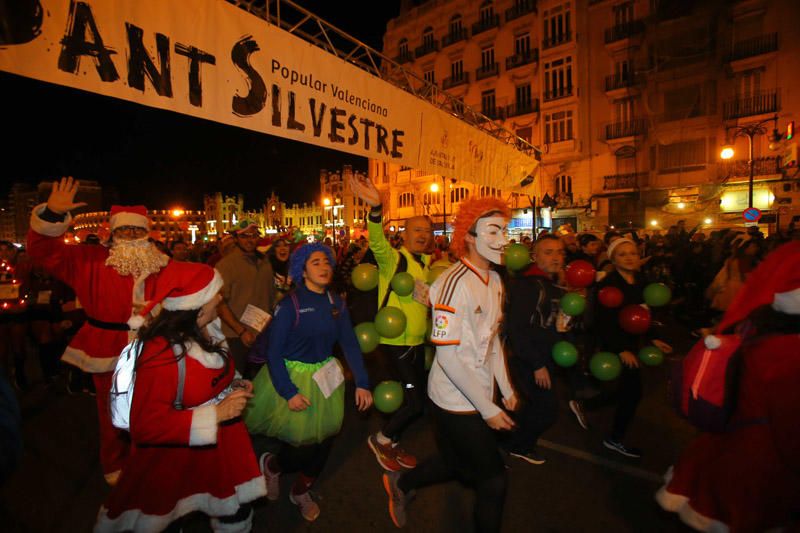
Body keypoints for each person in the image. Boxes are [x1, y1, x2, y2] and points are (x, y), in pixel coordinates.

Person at [95, 261, 266, 532]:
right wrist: (217, 414)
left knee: (234, 514)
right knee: (171, 516)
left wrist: (233, 385)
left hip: (221, 447)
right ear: (197, 304)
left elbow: (212, 377)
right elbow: (146, 425)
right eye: (216, 294)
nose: (222, 298)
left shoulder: (211, 328)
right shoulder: (161, 353)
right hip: (174, 458)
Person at [382, 197, 518, 532]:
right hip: (453, 400)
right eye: (493, 230)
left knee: (458, 465)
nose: (503, 239)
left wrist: (506, 386)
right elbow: (447, 355)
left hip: (480, 394)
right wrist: (487, 408)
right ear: (469, 237)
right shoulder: (452, 284)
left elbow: (494, 339)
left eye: (504, 230)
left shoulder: (497, 282)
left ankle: (401, 484)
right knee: (493, 481)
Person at [27, 177, 170, 485]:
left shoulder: (162, 264)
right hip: (108, 347)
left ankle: (147, 459)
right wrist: (52, 215)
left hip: (153, 347)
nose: (131, 235)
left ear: (147, 233)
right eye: (124, 230)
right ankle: (115, 466)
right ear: (113, 233)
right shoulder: (88, 260)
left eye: (137, 230)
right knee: (112, 413)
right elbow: (41, 251)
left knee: (152, 408)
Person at [656, 241, 800, 532]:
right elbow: (791, 429)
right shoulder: (785, 352)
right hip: (757, 467)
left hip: (732, 449)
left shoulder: (763, 332)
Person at [243, 243, 372, 522]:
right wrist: (288, 391)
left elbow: (349, 343)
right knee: (301, 448)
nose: (324, 267)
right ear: (302, 270)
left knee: (325, 441)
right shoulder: (290, 305)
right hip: (291, 378)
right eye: (315, 262)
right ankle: (273, 465)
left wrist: (362, 381)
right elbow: (273, 353)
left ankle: (301, 490)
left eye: (327, 262)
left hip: (326, 376)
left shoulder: (336, 302)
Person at [349, 174, 433, 472]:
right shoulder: (394, 260)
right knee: (415, 402)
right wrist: (375, 211)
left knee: (409, 398)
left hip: (416, 344)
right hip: (395, 345)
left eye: (427, 230)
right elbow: (378, 243)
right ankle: (381, 438)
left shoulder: (427, 265)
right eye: (417, 230)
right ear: (406, 233)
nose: (422, 235)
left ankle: (392, 441)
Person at [588, 238, 672, 458]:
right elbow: (602, 321)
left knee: (623, 390)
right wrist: (620, 349)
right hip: (617, 345)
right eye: (623, 254)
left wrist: (653, 338)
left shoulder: (641, 281)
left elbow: (645, 314)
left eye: (633, 253)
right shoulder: (608, 284)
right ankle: (615, 439)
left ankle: (584, 405)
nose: (629, 257)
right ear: (613, 259)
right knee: (633, 393)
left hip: (634, 343)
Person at [504, 235, 574, 464]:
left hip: (546, 356)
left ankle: (510, 440)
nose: (556, 257)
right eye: (548, 252)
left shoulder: (555, 285)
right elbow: (517, 328)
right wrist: (537, 364)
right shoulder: (529, 285)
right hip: (528, 359)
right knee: (547, 409)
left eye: (560, 252)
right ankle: (519, 446)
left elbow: (555, 324)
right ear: (534, 257)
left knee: (535, 406)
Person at [215, 220, 275, 374]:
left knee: (261, 380)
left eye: (254, 236)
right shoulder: (226, 265)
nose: (250, 240)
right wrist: (241, 331)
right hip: (236, 336)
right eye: (244, 236)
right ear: (236, 238)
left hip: (262, 331)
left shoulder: (265, 261)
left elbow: (269, 296)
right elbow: (219, 304)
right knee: (239, 381)